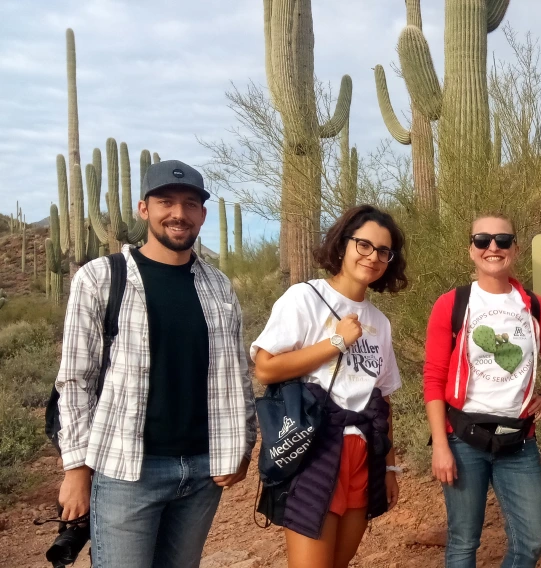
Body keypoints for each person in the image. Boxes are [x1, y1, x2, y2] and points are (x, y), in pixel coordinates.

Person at [54, 160, 256, 568]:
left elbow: (236, 373)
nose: (178, 213)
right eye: (166, 201)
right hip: (127, 470)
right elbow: (76, 379)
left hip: (203, 470)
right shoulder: (99, 279)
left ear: (201, 214)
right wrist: (76, 468)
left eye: (190, 204)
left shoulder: (218, 285)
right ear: (143, 209)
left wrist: (244, 445)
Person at [251, 205, 407, 568]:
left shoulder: (379, 322)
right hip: (317, 447)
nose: (373, 257)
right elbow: (265, 368)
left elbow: (381, 400)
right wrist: (335, 343)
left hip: (363, 452)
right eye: (364, 245)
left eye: (383, 251)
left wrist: (390, 468)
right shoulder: (304, 297)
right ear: (343, 244)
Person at [422, 214, 541, 568]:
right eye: (483, 239)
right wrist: (440, 445)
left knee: (531, 539)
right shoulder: (452, 304)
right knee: (463, 541)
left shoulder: (532, 305)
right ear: (470, 249)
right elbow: (434, 377)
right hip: (463, 438)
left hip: (518, 441)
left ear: (515, 249)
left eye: (503, 240)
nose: (493, 247)